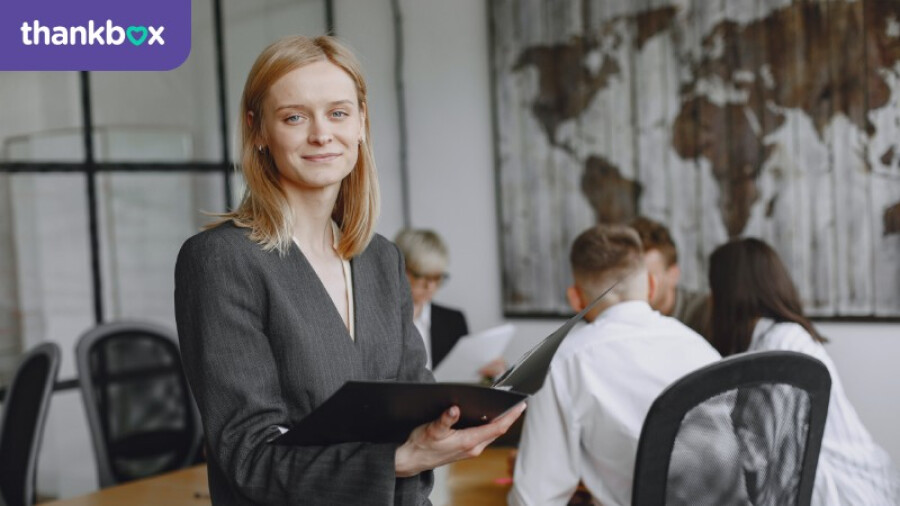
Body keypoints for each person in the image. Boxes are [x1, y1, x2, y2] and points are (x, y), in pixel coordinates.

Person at [174, 35, 524, 505]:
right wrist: (401, 459)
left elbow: (414, 401)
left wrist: (468, 415)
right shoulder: (222, 260)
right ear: (258, 130)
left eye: (338, 113)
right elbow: (248, 454)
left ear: (361, 122)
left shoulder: (381, 260)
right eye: (294, 117)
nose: (322, 134)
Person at [509, 225, 721, 506]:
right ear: (651, 285)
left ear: (576, 299)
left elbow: (536, 498)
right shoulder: (702, 349)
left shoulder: (562, 363)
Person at [708, 238, 900, 505]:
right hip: (854, 483)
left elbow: (755, 453)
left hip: (843, 492)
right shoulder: (778, 338)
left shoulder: (779, 346)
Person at [393, 228, 505, 377]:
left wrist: (488, 372)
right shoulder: (380, 320)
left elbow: (466, 377)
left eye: (437, 277)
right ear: (399, 269)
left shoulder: (453, 321)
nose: (430, 286)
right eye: (422, 276)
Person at [629, 216, 710, 337]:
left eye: (648, 277)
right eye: (630, 276)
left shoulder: (704, 313)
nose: (636, 285)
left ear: (673, 275)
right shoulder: (624, 318)